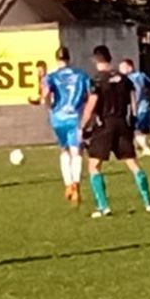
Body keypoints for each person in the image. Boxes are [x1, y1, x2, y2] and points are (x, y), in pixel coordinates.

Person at [80, 45, 150, 218]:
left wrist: (83, 126)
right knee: (133, 164)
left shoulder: (97, 80)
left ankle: (103, 206)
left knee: (94, 166)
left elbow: (91, 104)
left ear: (95, 60)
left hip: (105, 125)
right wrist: (133, 119)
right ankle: (148, 202)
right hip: (122, 123)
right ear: (110, 58)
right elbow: (133, 99)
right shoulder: (124, 79)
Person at [36, 47, 90, 205]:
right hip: (75, 117)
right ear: (69, 58)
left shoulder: (52, 76)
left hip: (58, 118)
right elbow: (89, 95)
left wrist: (48, 106)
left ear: (57, 59)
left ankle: (68, 184)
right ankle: (76, 184)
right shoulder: (81, 75)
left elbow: (46, 94)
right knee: (76, 152)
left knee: (64, 151)